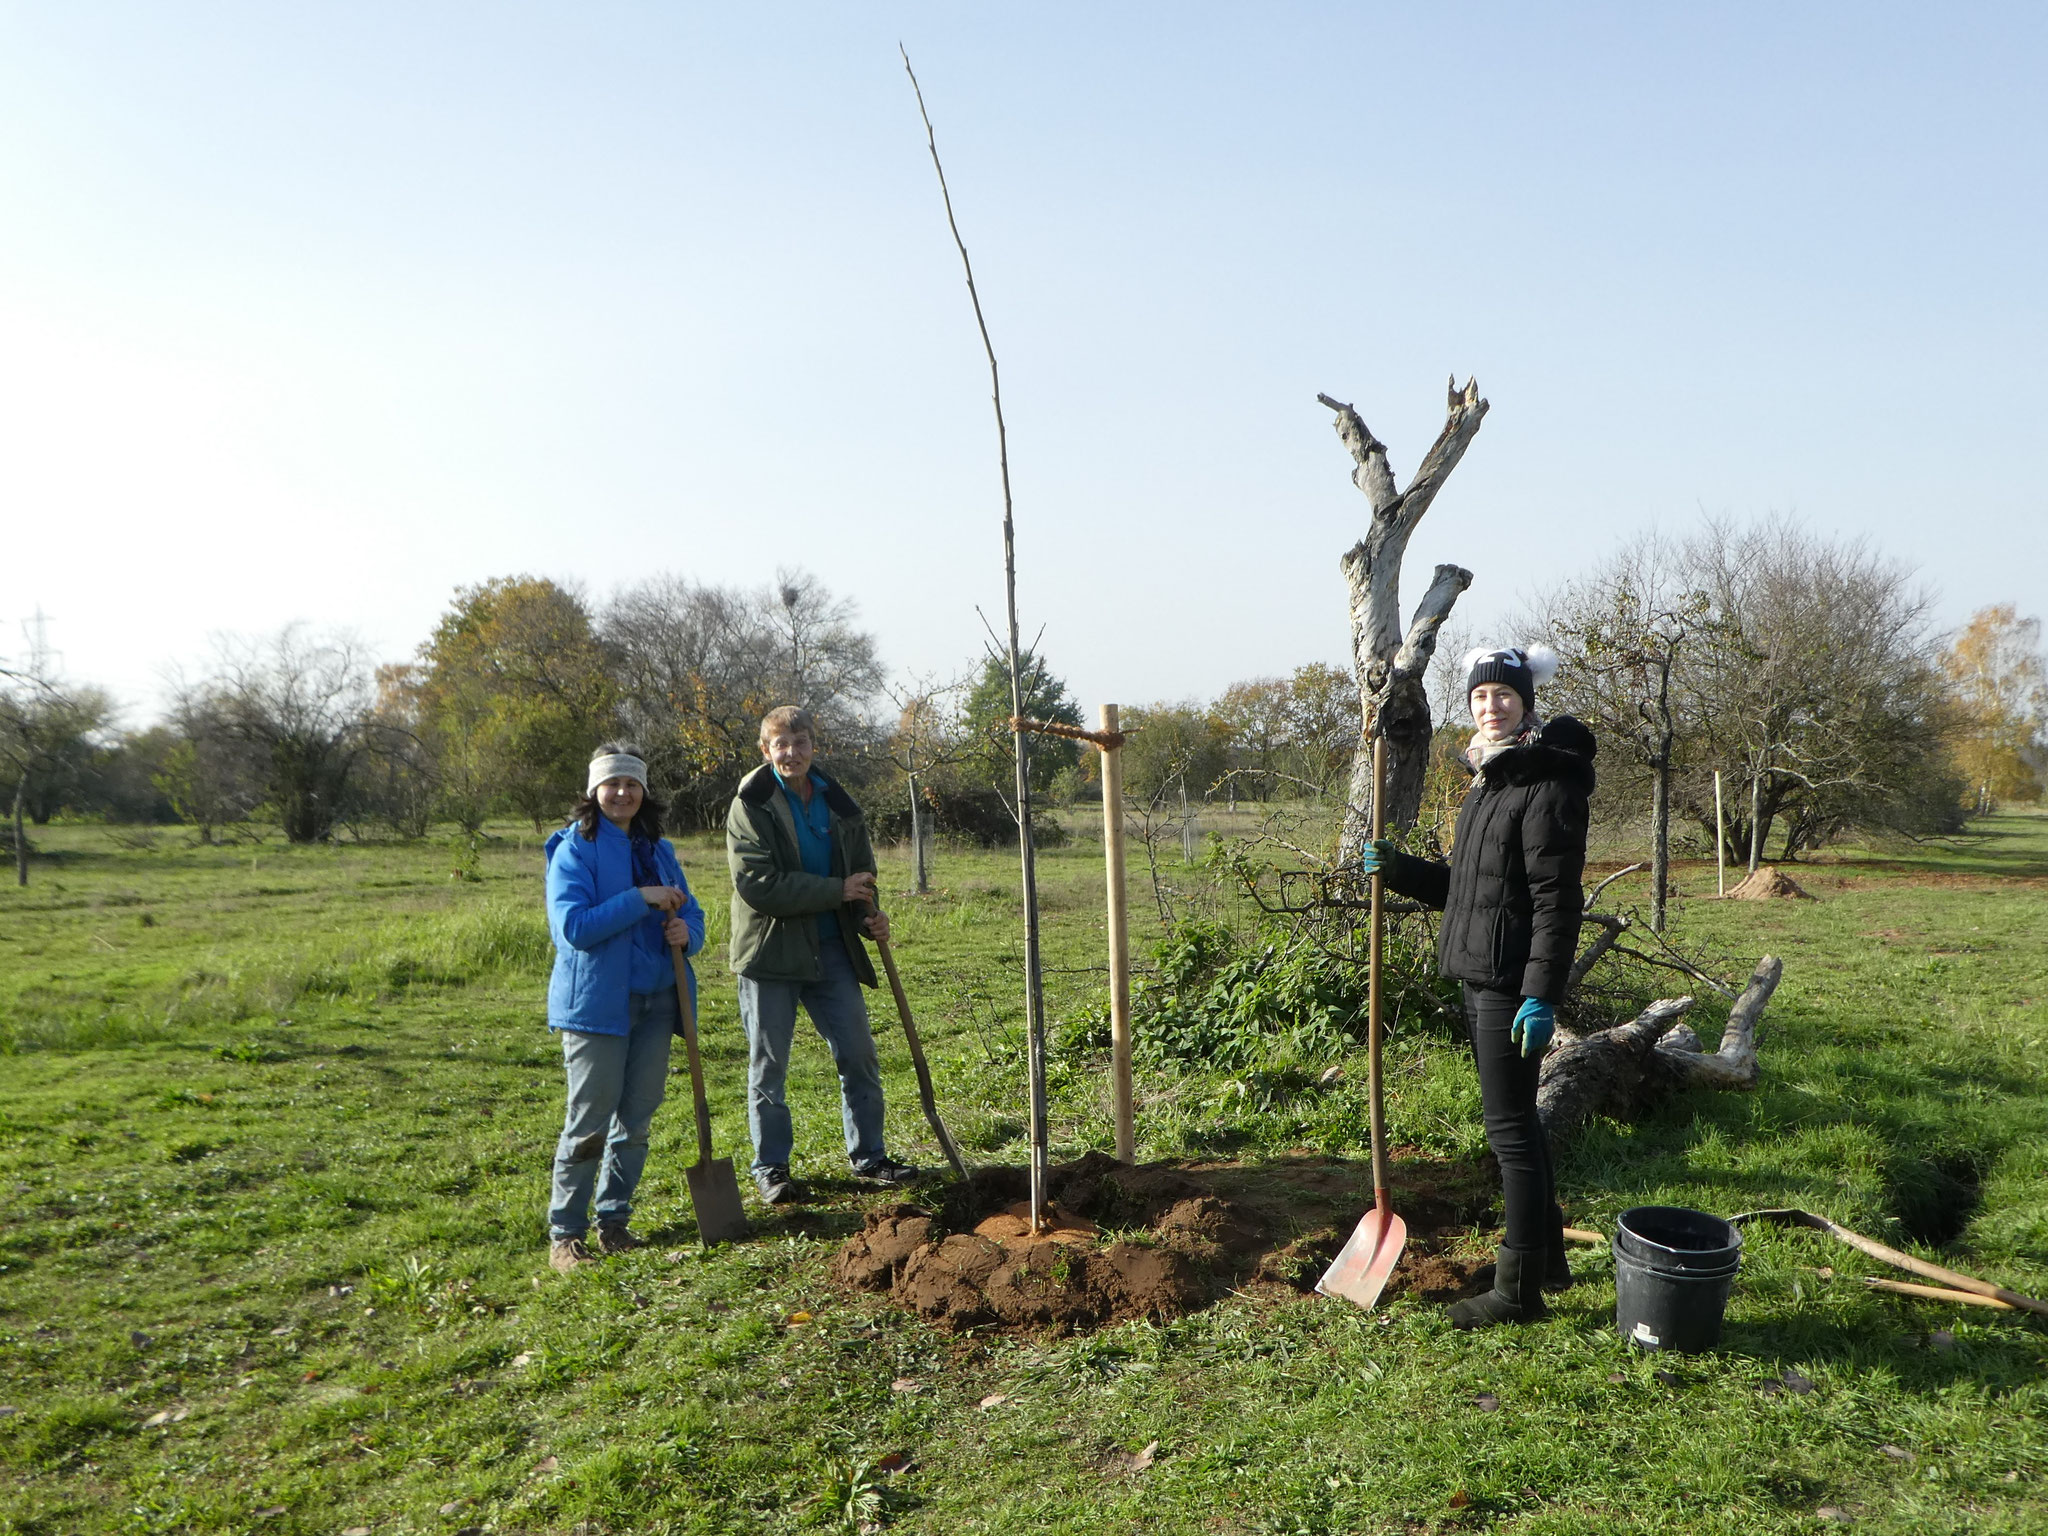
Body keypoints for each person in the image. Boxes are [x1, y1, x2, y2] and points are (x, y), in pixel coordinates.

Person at [1363, 645, 1596, 1328]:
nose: (1490, 707)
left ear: (1526, 703)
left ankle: (1516, 1291)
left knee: (1511, 1135)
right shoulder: (1490, 782)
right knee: (1519, 1127)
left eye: (1503, 696)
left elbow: (1558, 901)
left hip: (1509, 981)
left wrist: (1541, 993)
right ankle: (1549, 1262)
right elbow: (1470, 891)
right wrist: (1401, 870)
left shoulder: (1547, 786)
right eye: (1479, 697)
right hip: (1480, 971)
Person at [725, 705, 918, 1204]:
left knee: (858, 1054)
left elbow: (861, 875)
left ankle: (870, 1157)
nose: (792, 752)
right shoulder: (752, 803)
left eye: (801, 742)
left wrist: (868, 916)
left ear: (815, 745)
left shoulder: (838, 803)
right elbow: (758, 885)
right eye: (780, 744)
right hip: (770, 954)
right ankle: (771, 1169)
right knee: (769, 1067)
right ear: (765, 751)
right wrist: (838, 892)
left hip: (832, 949)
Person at [541, 743, 706, 1272]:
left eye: (631, 784)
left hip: (658, 1002)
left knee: (635, 1119)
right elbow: (575, 930)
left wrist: (689, 931)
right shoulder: (575, 850)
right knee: (589, 1121)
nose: (622, 792)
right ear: (594, 791)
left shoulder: (658, 848)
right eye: (611, 783)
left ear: (644, 792)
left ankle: (613, 1221)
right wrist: (642, 898)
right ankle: (565, 1235)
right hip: (597, 1007)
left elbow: (691, 910)